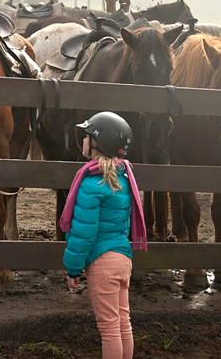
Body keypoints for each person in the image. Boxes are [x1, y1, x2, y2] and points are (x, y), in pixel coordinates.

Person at [61, 111, 147, 359]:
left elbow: (83, 234)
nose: (83, 141)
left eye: (87, 136)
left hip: (102, 262)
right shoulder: (123, 177)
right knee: (122, 323)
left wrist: (73, 269)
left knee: (109, 329)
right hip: (122, 258)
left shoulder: (91, 184)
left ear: (97, 144)